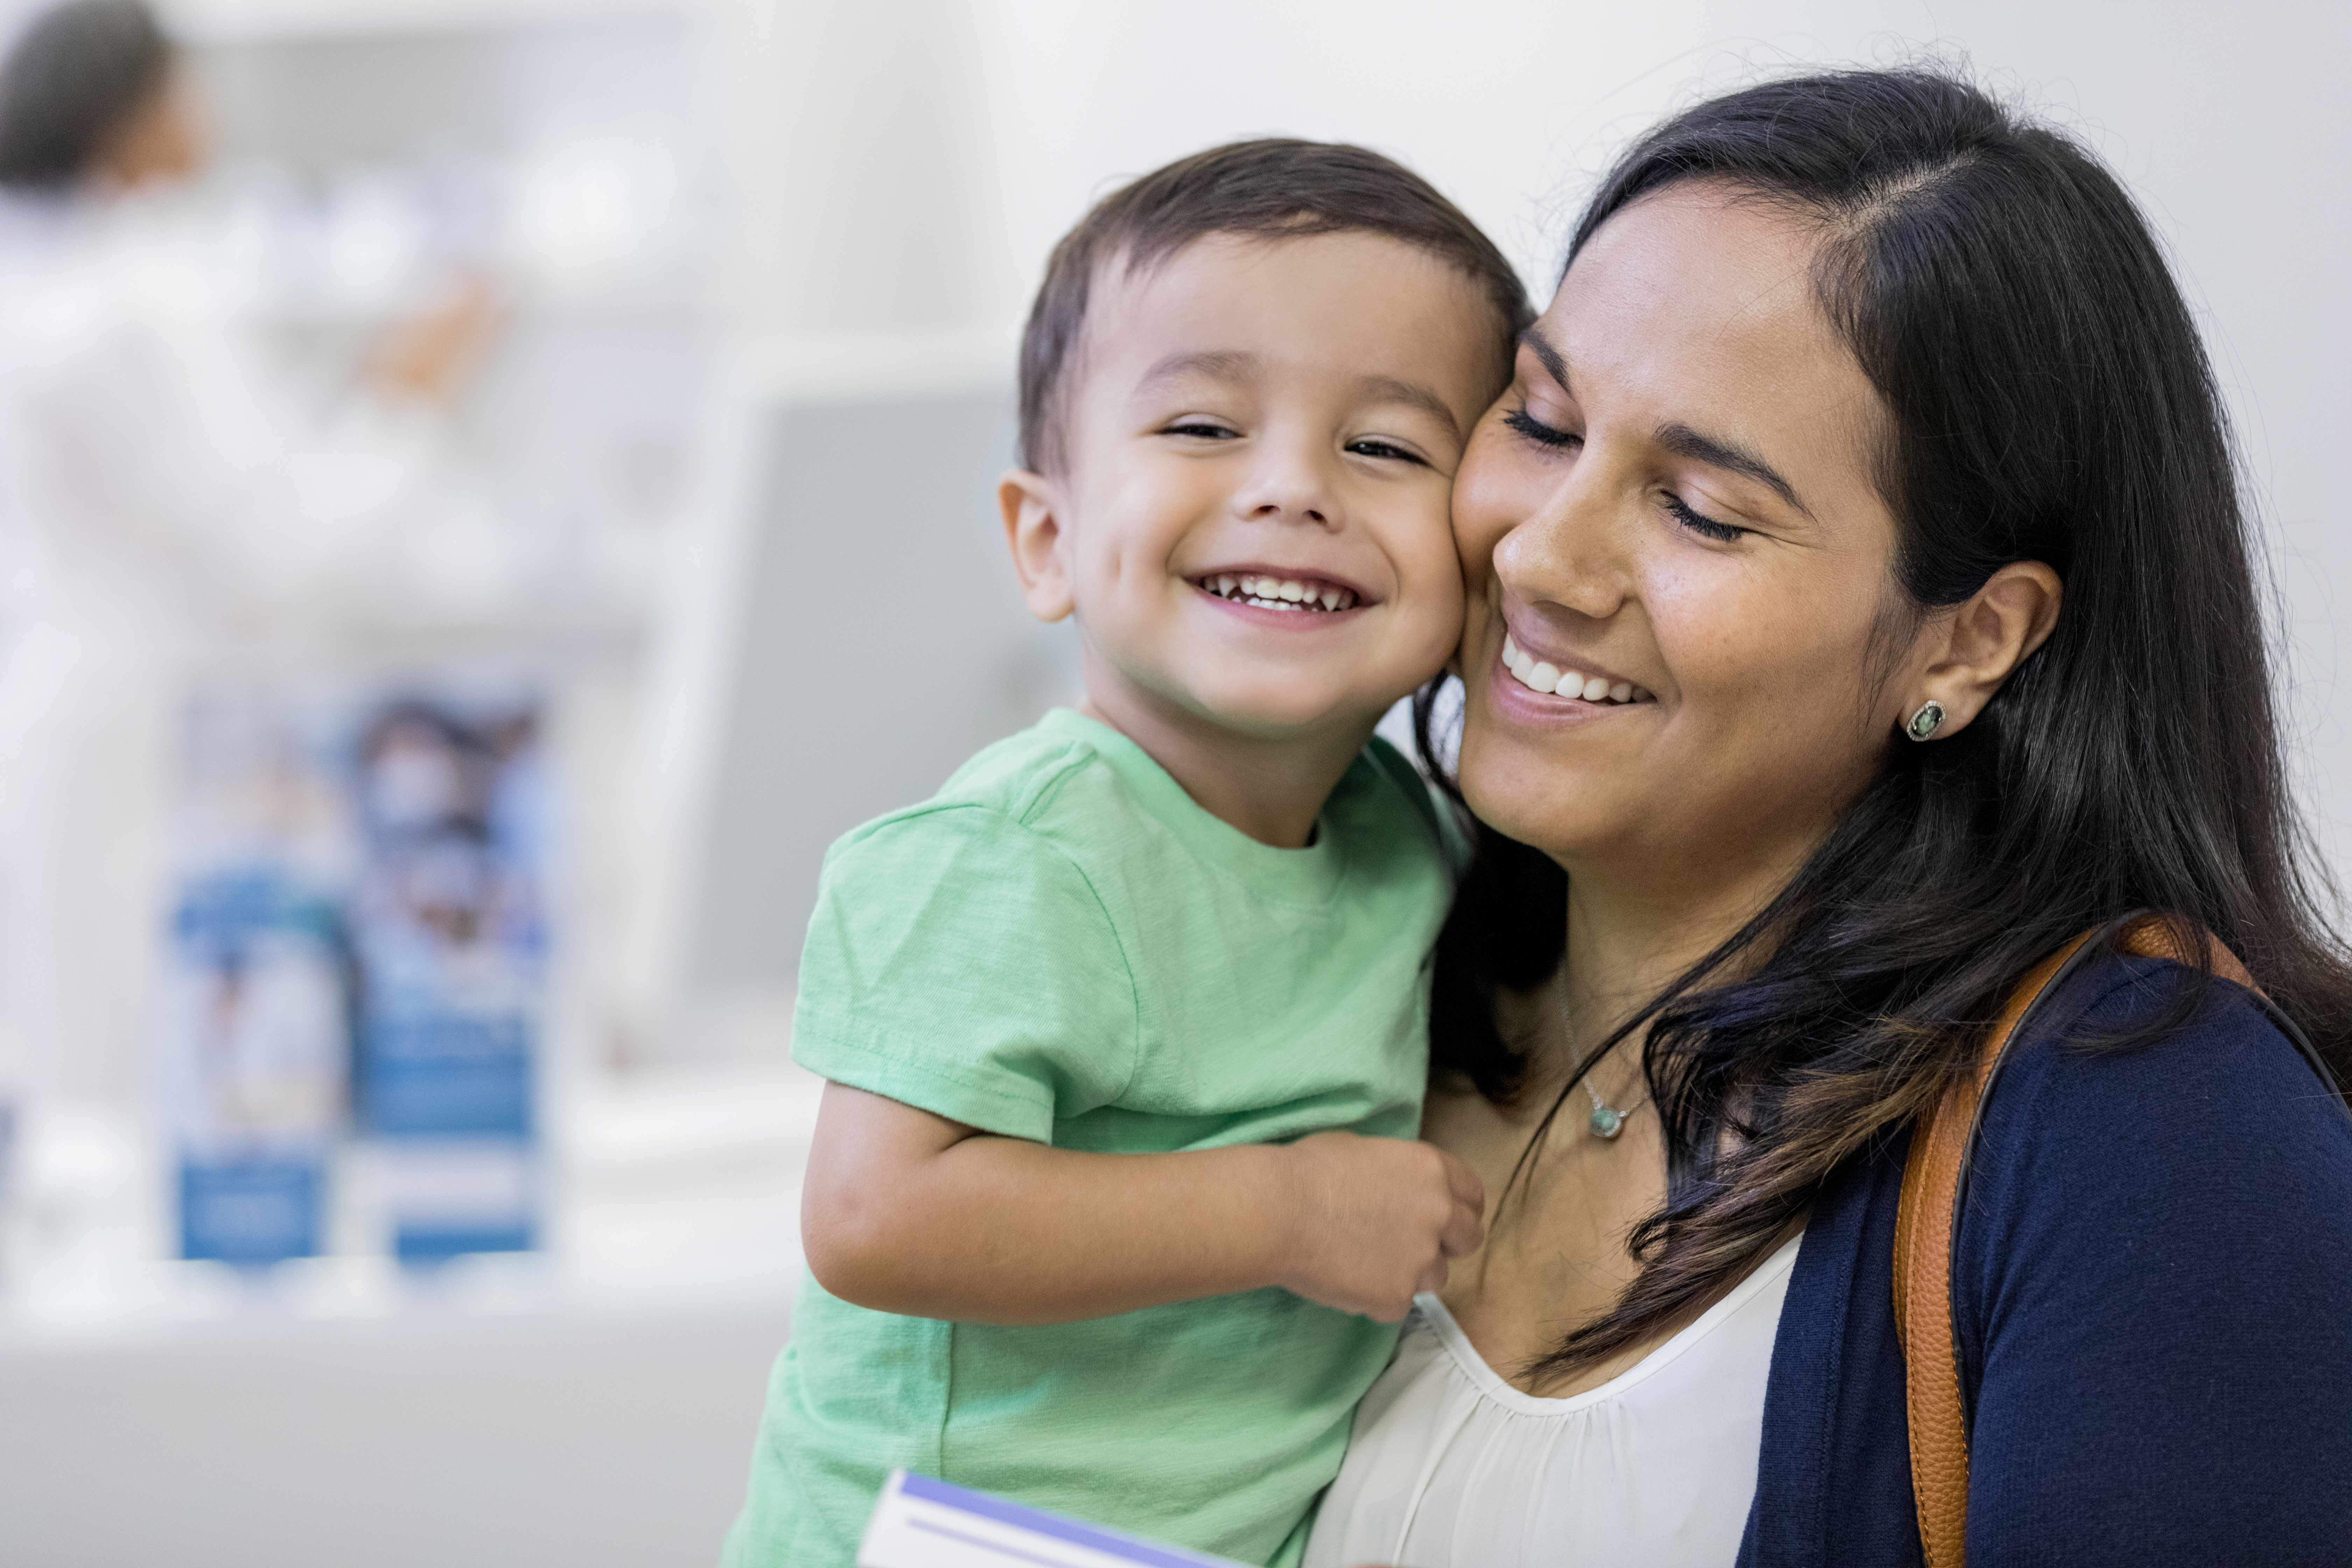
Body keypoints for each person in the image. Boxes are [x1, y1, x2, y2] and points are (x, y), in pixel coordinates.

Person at [1307, 68, 2352, 1567]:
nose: (1543, 554)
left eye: (1702, 512)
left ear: (1967, 641)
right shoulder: (1343, 949)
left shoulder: (2160, 1140)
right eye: (1542, 421)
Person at [722, 139, 1528, 1566]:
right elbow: (873, 1213)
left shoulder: (1412, 839)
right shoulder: (1011, 855)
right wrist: (1287, 1211)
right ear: (1048, 539)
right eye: (1205, 428)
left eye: (1388, 448)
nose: (1294, 486)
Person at [0, 0, 515, 1109]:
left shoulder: (51, 280)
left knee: (100, 1090)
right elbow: (289, 550)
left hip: (95, 733)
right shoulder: (130, 294)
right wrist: (415, 385)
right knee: (144, 1098)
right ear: (128, 118)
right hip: (139, 749)